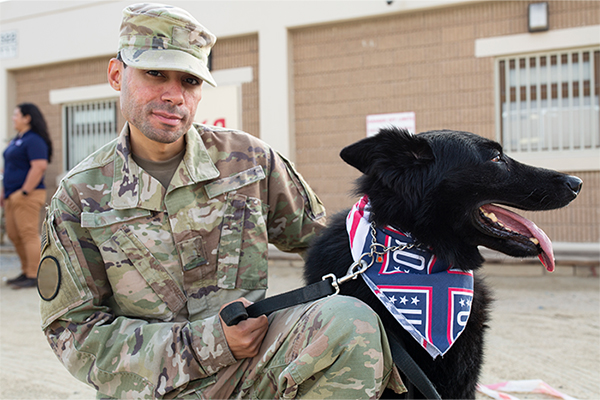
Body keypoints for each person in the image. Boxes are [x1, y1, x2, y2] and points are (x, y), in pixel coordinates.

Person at [38, 3, 405, 399]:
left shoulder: (248, 162)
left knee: (351, 323)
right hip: (153, 388)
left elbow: (329, 243)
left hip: (252, 370)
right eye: (155, 74)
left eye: (190, 81)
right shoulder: (80, 196)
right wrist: (208, 344)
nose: (174, 95)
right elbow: (75, 333)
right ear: (116, 74)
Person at [1, 102, 52, 289]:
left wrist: (24, 191)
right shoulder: (16, 139)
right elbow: (7, 169)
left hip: (27, 194)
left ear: (27, 118)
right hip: (11, 195)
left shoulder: (34, 140)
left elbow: (39, 166)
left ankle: (35, 274)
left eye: (16, 115)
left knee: (28, 233)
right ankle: (26, 271)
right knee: (14, 235)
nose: (13, 118)